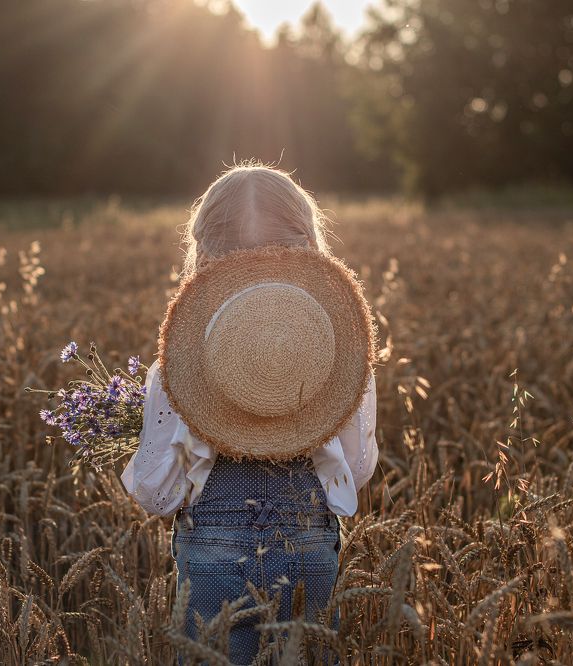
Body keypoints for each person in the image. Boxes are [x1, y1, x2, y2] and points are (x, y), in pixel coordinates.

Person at [120, 163, 379, 665]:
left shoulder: (179, 367)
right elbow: (357, 469)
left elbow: (156, 491)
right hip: (308, 545)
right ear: (308, 245)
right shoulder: (344, 359)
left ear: (205, 255)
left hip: (214, 551)